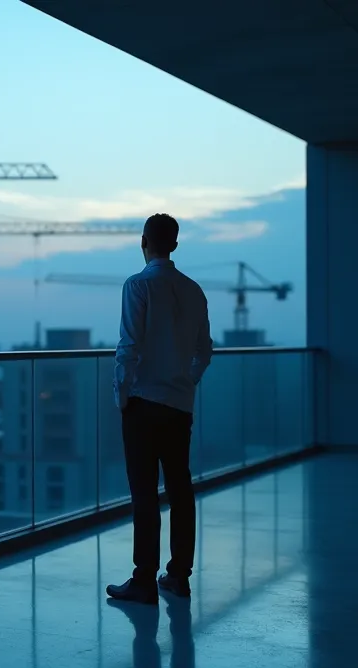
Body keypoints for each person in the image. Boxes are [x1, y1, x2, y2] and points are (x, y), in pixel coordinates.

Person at [106, 213, 212, 606]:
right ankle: (179, 576)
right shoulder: (194, 290)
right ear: (176, 244)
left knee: (145, 494)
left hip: (144, 404)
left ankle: (143, 580)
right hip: (179, 406)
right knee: (181, 490)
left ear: (143, 242)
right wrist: (187, 381)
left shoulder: (138, 285)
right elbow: (205, 351)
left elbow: (129, 346)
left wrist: (122, 396)